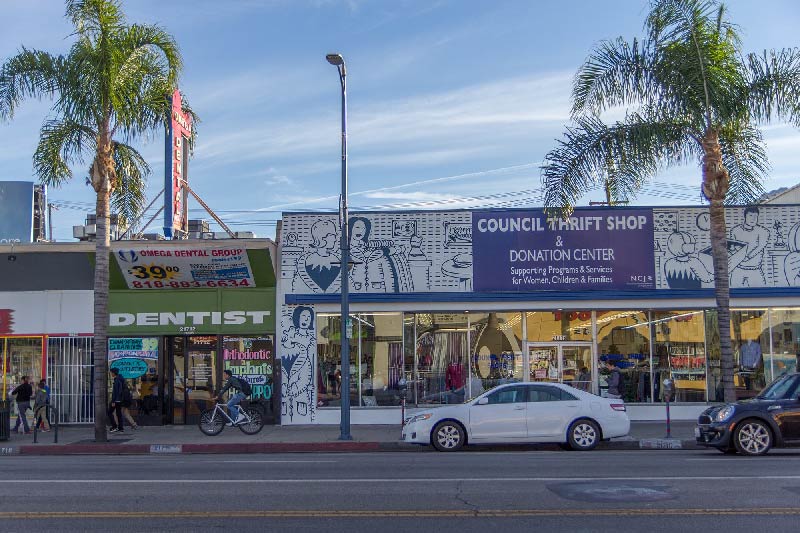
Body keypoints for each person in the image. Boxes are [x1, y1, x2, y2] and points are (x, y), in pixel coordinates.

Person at [108, 368, 125, 433]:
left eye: (111, 372)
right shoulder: (120, 379)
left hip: (116, 400)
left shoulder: (117, 380)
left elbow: (117, 392)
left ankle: (114, 426)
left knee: (109, 412)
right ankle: (121, 428)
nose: (111, 373)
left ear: (114, 373)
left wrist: (113, 401)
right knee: (119, 414)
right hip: (119, 400)